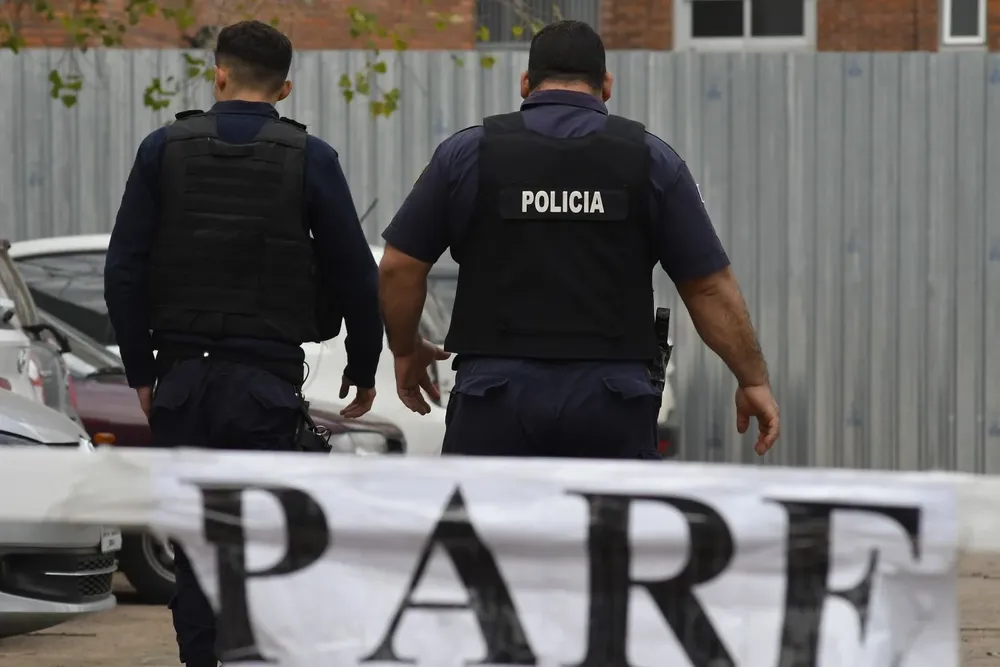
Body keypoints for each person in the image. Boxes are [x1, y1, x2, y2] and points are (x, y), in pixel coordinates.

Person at [104, 20, 383, 667]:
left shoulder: (162, 149)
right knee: (268, 549)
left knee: (198, 554)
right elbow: (354, 272)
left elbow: (124, 267)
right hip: (263, 388)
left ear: (219, 74)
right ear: (285, 88)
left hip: (180, 383)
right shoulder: (310, 158)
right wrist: (364, 369)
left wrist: (141, 373)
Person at [378, 20, 779, 459]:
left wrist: (405, 349)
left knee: (492, 527)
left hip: (494, 401)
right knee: (609, 529)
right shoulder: (653, 161)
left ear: (525, 83)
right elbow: (707, 286)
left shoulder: (466, 155)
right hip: (611, 405)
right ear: (606, 85)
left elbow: (399, 266)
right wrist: (752, 378)